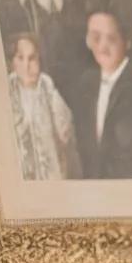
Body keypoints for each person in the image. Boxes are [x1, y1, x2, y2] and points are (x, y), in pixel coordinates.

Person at [74, 9, 132, 179]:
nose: (102, 47)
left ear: (127, 41)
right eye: (95, 38)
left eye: (112, 38)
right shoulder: (86, 84)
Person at [7, 32, 80, 181]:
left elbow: (66, 135)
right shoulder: (8, 90)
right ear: (13, 61)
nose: (26, 65)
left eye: (32, 58)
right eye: (20, 58)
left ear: (40, 60)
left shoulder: (48, 89)